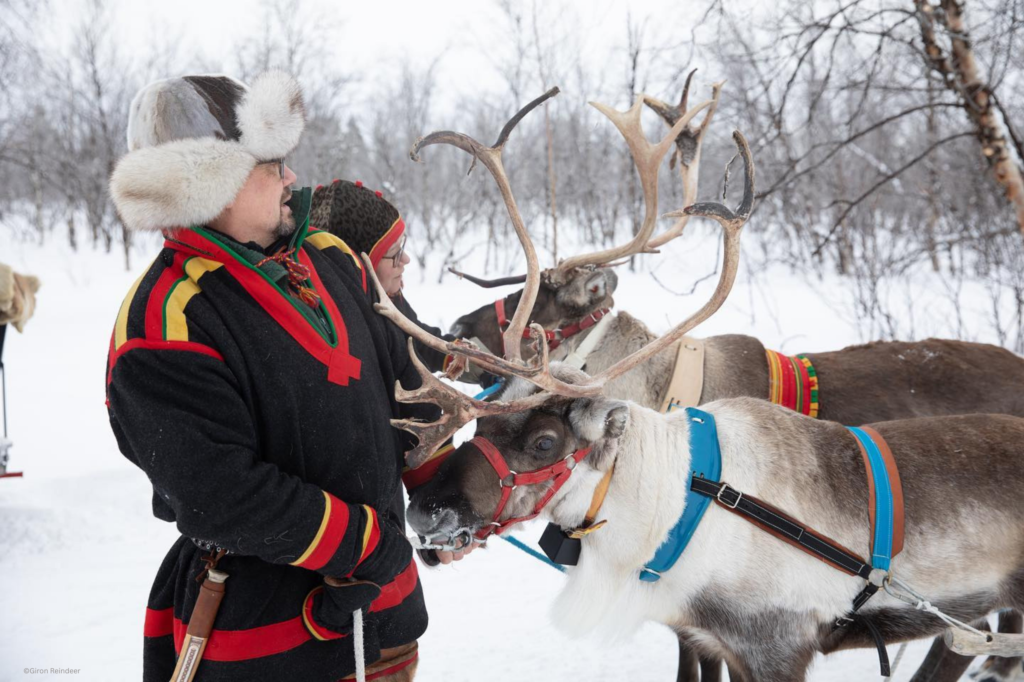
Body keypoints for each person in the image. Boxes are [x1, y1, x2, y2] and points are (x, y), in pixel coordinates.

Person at [106, 72, 429, 682]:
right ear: (217, 182)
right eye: (273, 164)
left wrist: (444, 487)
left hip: (387, 615)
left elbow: (404, 379)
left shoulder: (330, 256)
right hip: (271, 640)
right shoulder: (164, 322)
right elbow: (220, 493)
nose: (290, 177)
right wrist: (365, 542)